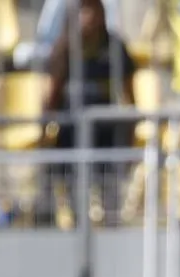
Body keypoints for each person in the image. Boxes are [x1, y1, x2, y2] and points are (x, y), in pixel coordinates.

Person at [42, 0, 136, 228]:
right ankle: (77, 226)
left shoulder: (115, 47)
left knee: (109, 190)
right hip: (72, 134)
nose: (89, 17)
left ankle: (112, 228)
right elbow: (51, 97)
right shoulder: (64, 48)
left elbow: (130, 99)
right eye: (83, 10)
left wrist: (130, 135)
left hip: (106, 135)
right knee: (75, 189)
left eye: (92, 10)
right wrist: (43, 134)